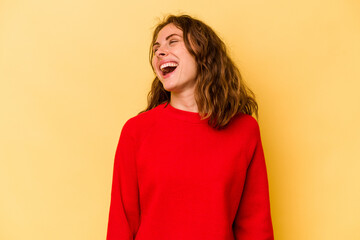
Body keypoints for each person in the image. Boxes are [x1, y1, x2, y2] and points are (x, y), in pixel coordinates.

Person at [106, 14, 274, 240]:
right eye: (156, 47)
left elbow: (255, 224)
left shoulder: (244, 130)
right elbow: (121, 223)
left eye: (172, 41)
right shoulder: (137, 131)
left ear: (203, 52)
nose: (159, 51)